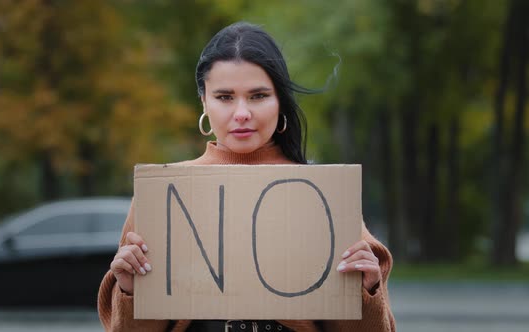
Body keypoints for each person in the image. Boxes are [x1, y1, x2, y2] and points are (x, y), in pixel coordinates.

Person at [98, 21, 395, 332]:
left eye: (258, 96)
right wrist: (131, 290)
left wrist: (365, 289)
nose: (241, 113)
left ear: (280, 101)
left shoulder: (323, 194)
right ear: (204, 101)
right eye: (225, 97)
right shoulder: (163, 195)